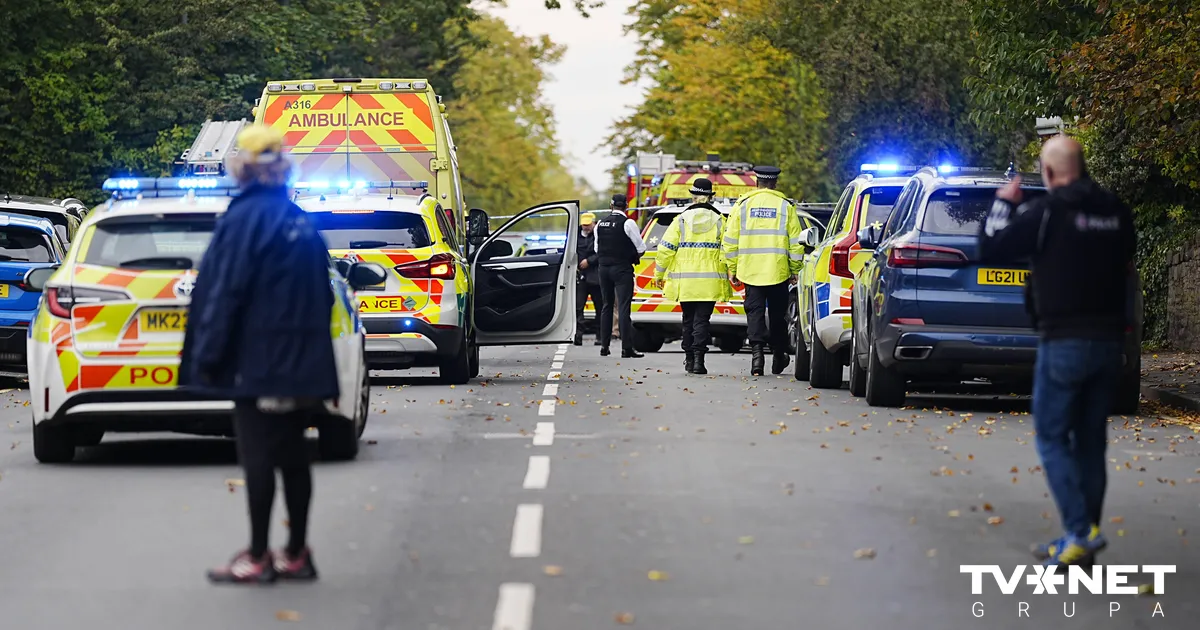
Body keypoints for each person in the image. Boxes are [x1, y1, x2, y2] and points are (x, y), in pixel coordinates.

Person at [180, 125, 338, 584]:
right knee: (292, 455)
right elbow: (325, 296)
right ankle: (296, 553)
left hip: (258, 360)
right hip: (301, 363)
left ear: (241, 168)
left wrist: (206, 358)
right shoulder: (299, 220)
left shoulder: (242, 220)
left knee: (258, 456)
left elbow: (224, 294)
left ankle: (257, 555)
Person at [978, 135, 1136, 567]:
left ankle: (1081, 533)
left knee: (1050, 437)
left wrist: (1003, 203)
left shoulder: (1046, 211)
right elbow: (1126, 264)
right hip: (1108, 343)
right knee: (1089, 441)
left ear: (1048, 173)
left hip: (1064, 340)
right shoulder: (1116, 212)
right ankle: (1080, 540)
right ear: (1082, 166)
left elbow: (992, 245)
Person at [721, 165, 806, 376]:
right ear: (775, 183)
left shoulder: (742, 205)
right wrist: (795, 269)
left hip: (750, 270)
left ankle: (757, 358)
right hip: (777, 271)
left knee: (755, 314)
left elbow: (730, 241)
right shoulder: (785, 207)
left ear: (756, 182)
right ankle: (778, 355)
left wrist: (732, 267)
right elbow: (795, 242)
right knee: (778, 316)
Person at [653, 178, 732, 375]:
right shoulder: (721, 221)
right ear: (710, 197)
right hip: (710, 282)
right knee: (702, 320)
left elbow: (665, 249)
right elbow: (729, 250)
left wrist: (659, 273)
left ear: (693, 196)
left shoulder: (680, 220)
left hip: (685, 281)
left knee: (688, 319)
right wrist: (733, 272)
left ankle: (689, 359)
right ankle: (699, 360)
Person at [595, 193, 647, 358]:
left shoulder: (600, 224)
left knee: (606, 306)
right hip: (622, 269)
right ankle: (627, 348)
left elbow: (597, 249)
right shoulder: (628, 223)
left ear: (611, 206)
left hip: (603, 269)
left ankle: (604, 346)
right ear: (626, 206)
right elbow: (641, 248)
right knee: (624, 308)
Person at [574, 212, 602, 346]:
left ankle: (600, 336)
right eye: (584, 225)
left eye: (588, 225)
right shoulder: (575, 237)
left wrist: (589, 261)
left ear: (594, 223)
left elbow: (601, 252)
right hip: (582, 277)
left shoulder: (599, 235)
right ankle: (578, 335)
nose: (586, 227)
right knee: (578, 307)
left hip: (595, 277)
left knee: (600, 308)